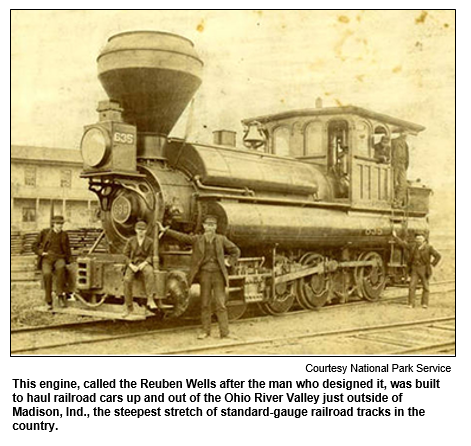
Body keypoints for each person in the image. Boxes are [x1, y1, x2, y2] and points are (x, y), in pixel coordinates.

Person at [158, 215, 240, 340]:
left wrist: (229, 262)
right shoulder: (197, 239)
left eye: (212, 225)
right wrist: (166, 231)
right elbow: (183, 237)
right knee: (205, 304)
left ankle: (225, 333)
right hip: (205, 275)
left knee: (220, 304)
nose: (210, 228)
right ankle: (205, 332)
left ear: (215, 227)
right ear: (204, 226)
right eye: (208, 225)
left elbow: (236, 250)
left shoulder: (221, 239)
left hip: (218, 276)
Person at [392, 229, 441, 308]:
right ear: (415, 240)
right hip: (414, 269)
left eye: (420, 239)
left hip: (424, 269)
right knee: (411, 286)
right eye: (417, 239)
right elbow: (403, 244)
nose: (418, 240)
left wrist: (432, 264)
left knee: (426, 287)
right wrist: (395, 237)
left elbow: (438, 256)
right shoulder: (413, 246)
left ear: (424, 239)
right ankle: (411, 304)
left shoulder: (429, 247)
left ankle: (424, 303)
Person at [32, 215, 72, 310]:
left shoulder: (64, 235)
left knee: (61, 268)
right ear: (53, 224)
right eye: (58, 224)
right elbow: (34, 246)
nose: (60, 226)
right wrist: (42, 253)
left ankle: (60, 296)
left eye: (61, 224)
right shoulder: (45, 233)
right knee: (47, 274)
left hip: (59, 258)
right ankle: (48, 301)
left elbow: (68, 249)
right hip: (47, 259)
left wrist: (70, 261)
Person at [122, 220, 157, 317]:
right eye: (139, 229)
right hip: (133, 264)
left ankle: (150, 299)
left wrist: (145, 263)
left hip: (144, 263)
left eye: (143, 230)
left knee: (150, 273)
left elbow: (151, 255)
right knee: (127, 280)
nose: (141, 231)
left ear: (146, 231)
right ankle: (129, 307)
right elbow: (125, 255)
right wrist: (131, 265)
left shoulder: (150, 241)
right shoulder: (130, 241)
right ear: (135, 230)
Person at [391, 129, 410, 207]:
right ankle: (392, 201)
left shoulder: (405, 144)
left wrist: (405, 165)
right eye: (404, 133)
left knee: (403, 184)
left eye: (406, 134)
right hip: (395, 164)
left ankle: (398, 201)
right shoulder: (394, 141)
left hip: (402, 165)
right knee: (392, 182)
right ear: (400, 133)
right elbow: (390, 152)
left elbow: (407, 155)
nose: (406, 135)